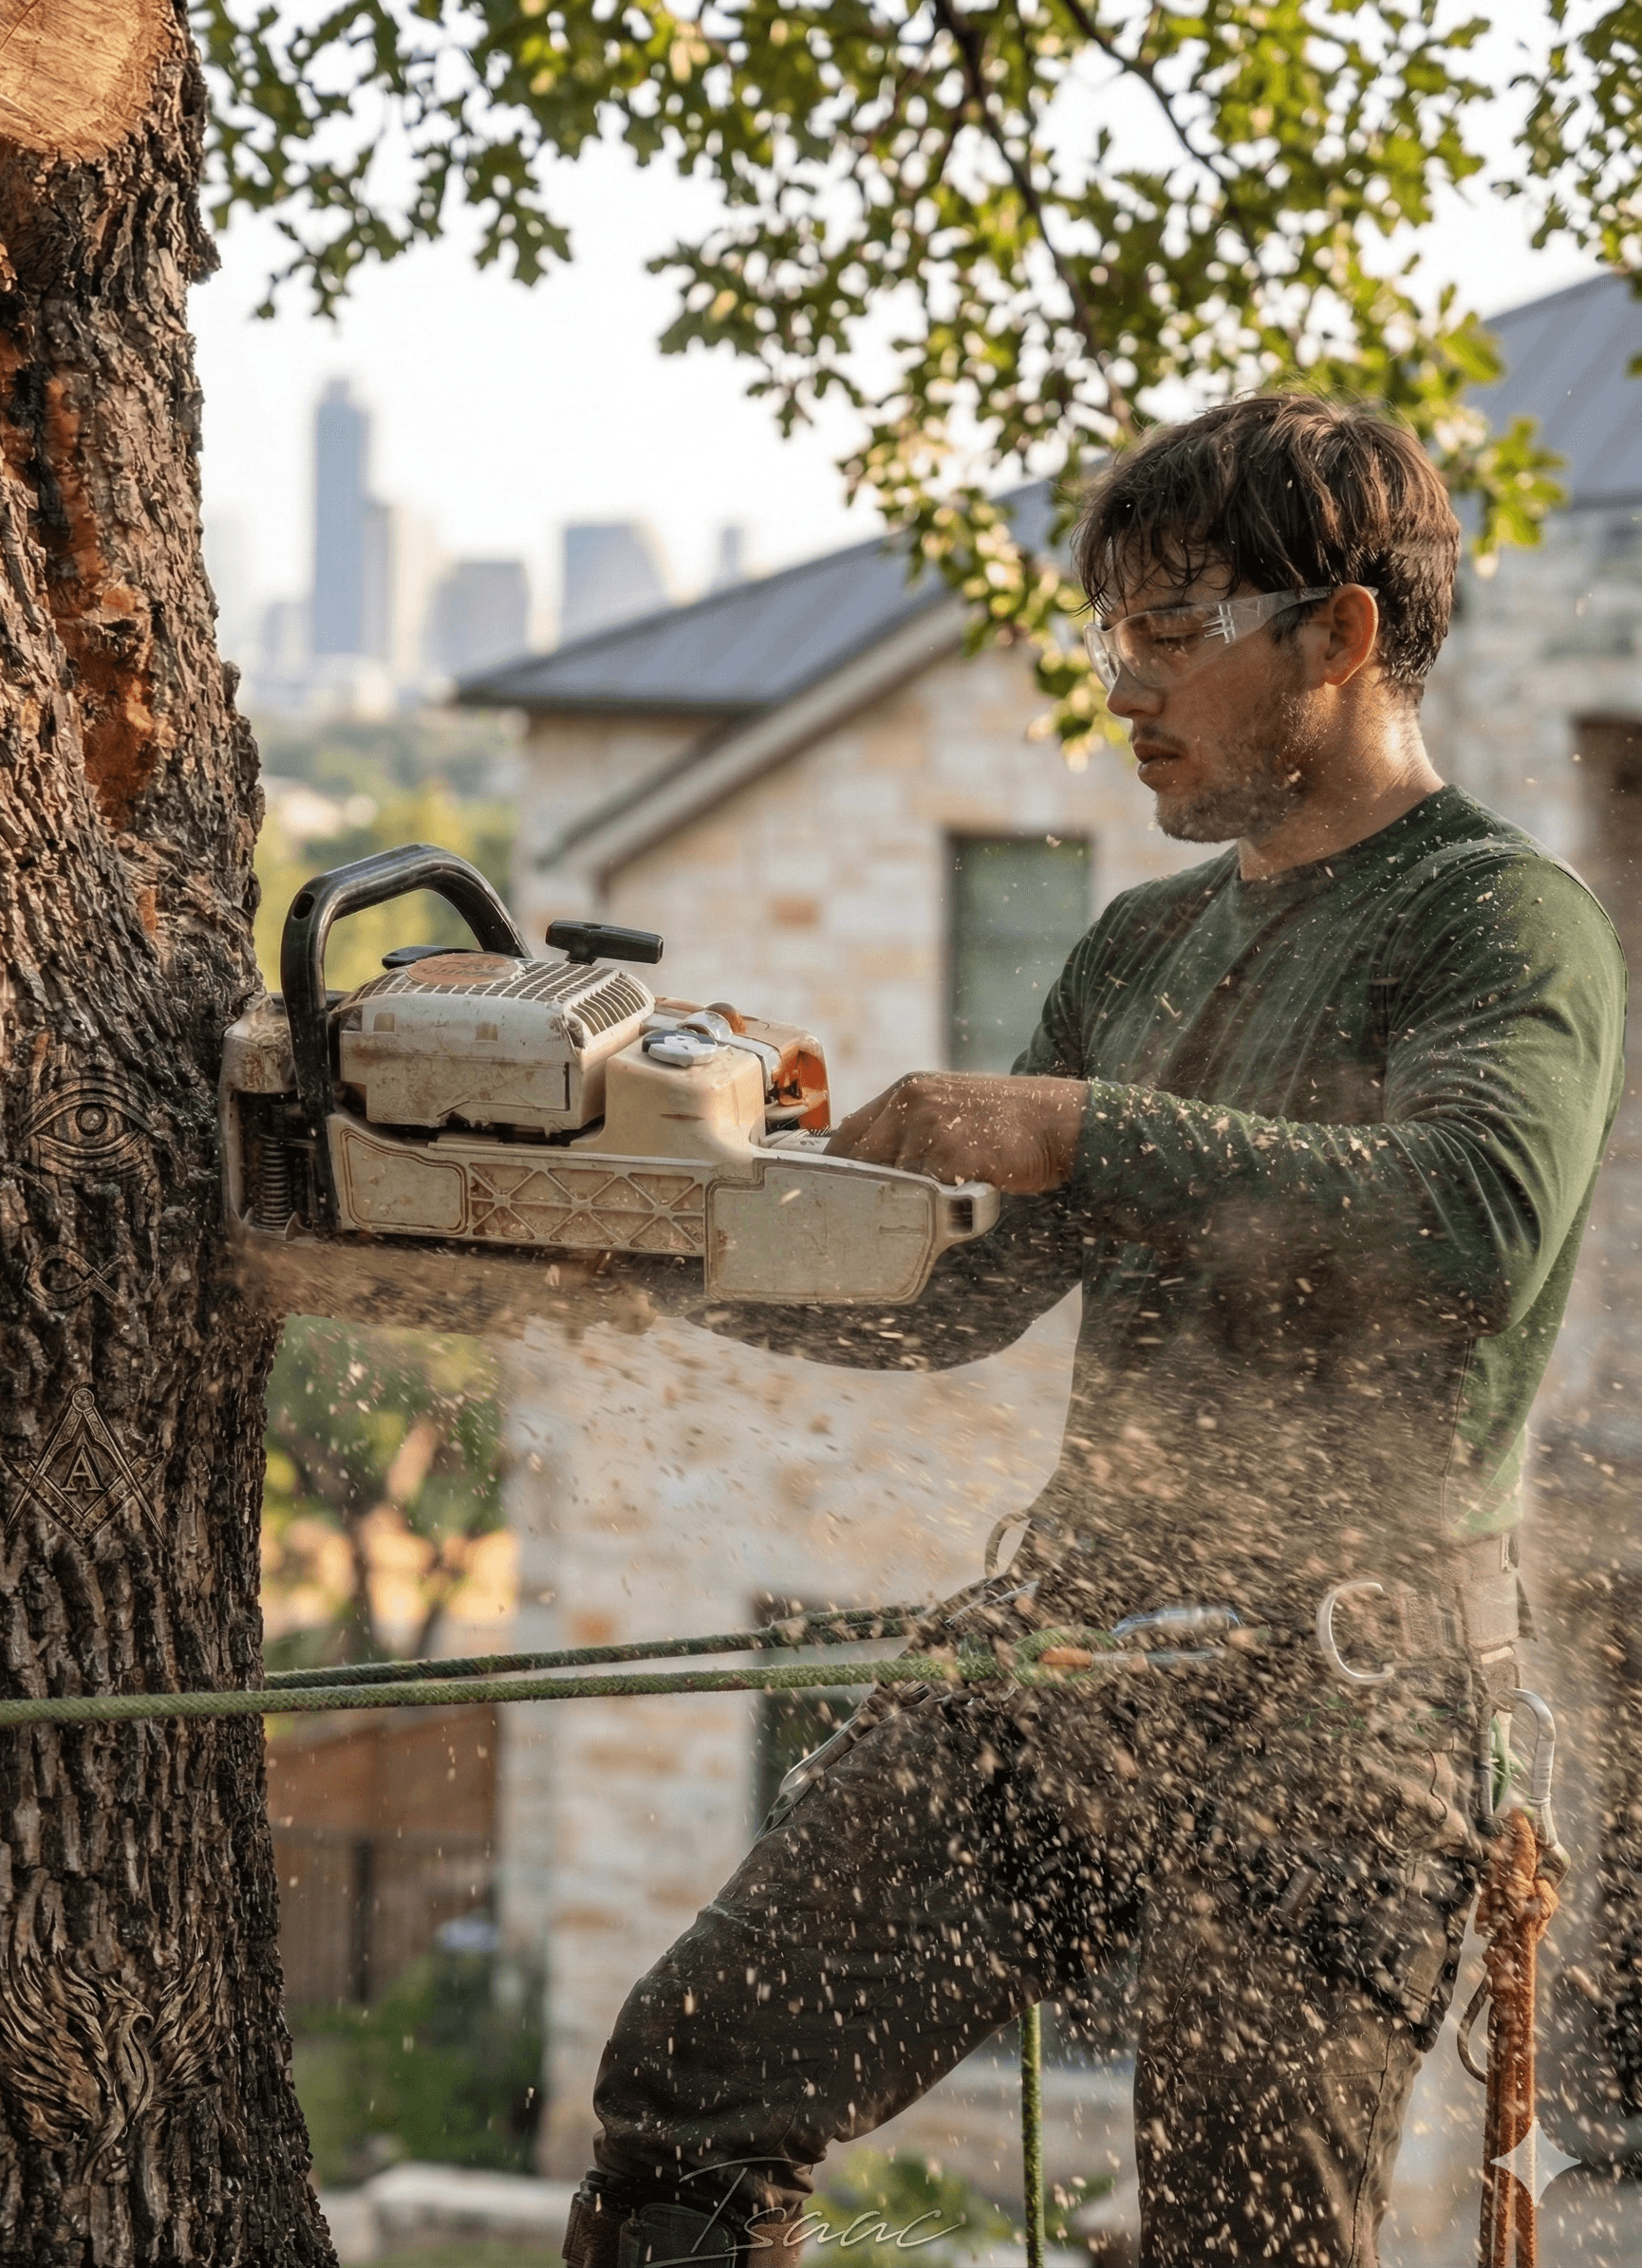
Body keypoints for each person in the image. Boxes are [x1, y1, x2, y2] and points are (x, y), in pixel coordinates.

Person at [557, 396, 1627, 2268]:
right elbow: (957, 1294)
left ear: (1339, 633)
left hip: (1345, 1702)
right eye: (1107, 636)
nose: (1120, 685)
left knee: (1235, 2238)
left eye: (1169, 632)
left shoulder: (1496, 924)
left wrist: (1069, 1124)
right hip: (1072, 1647)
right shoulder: (1134, 945)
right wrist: (641, 1251)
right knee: (691, 2083)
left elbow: (1471, 1215)